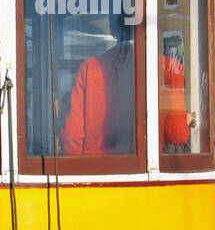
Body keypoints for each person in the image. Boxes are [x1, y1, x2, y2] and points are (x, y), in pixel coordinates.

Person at [61, 30, 194, 156]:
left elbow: (72, 136)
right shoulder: (169, 68)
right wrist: (187, 120)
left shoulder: (90, 67)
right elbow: (177, 134)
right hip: (146, 167)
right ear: (154, 31)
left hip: (96, 168)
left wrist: (82, 169)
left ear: (112, 28)